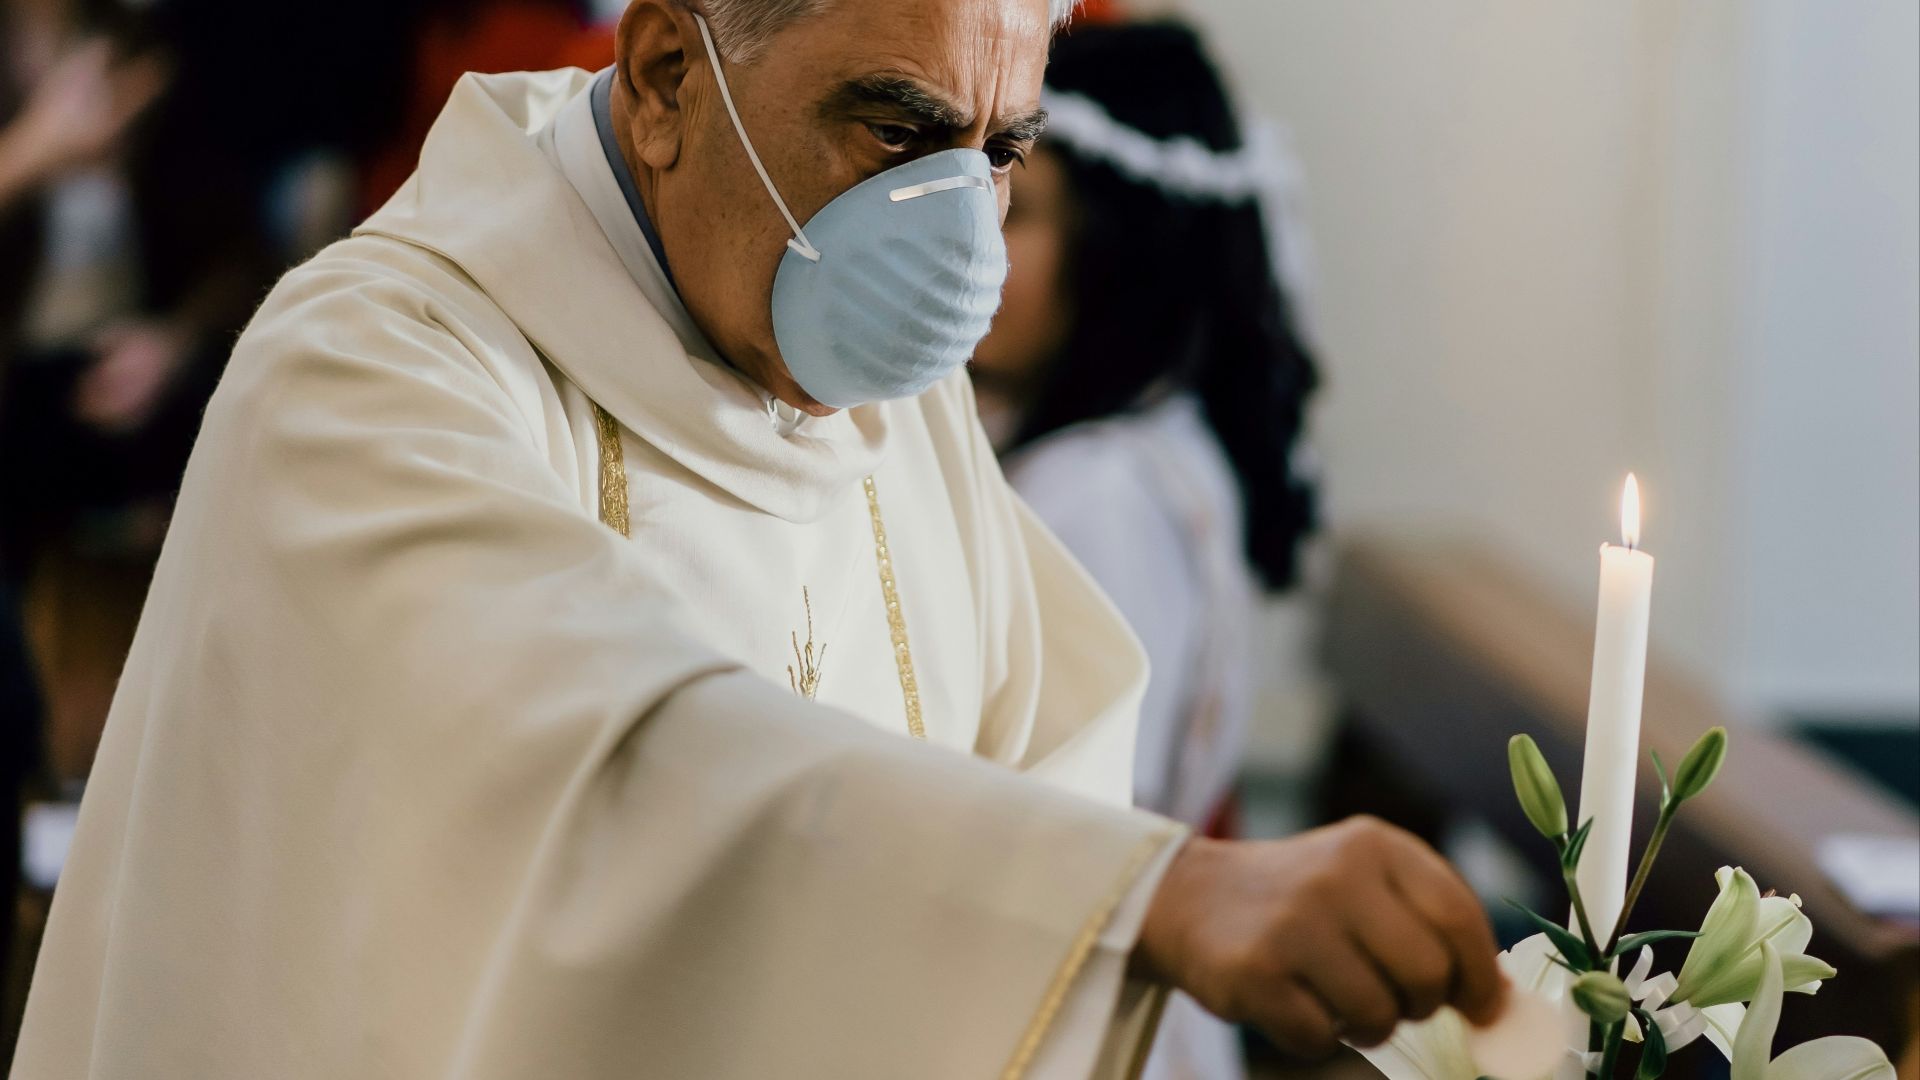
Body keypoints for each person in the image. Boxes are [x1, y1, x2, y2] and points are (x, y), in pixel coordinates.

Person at [14, 2, 1507, 1077]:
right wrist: (1140, 898)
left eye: (1002, 150)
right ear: (667, 75)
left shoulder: (887, 397)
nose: (957, 231)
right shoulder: (373, 367)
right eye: (899, 129)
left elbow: (1037, 741)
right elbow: (598, 738)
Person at [971, 20, 1320, 1080]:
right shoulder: (1159, 446)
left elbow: (1048, 816)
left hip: (1068, 998)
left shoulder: (1095, 498)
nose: (973, 238)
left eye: (1020, 208)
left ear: (1120, 246)